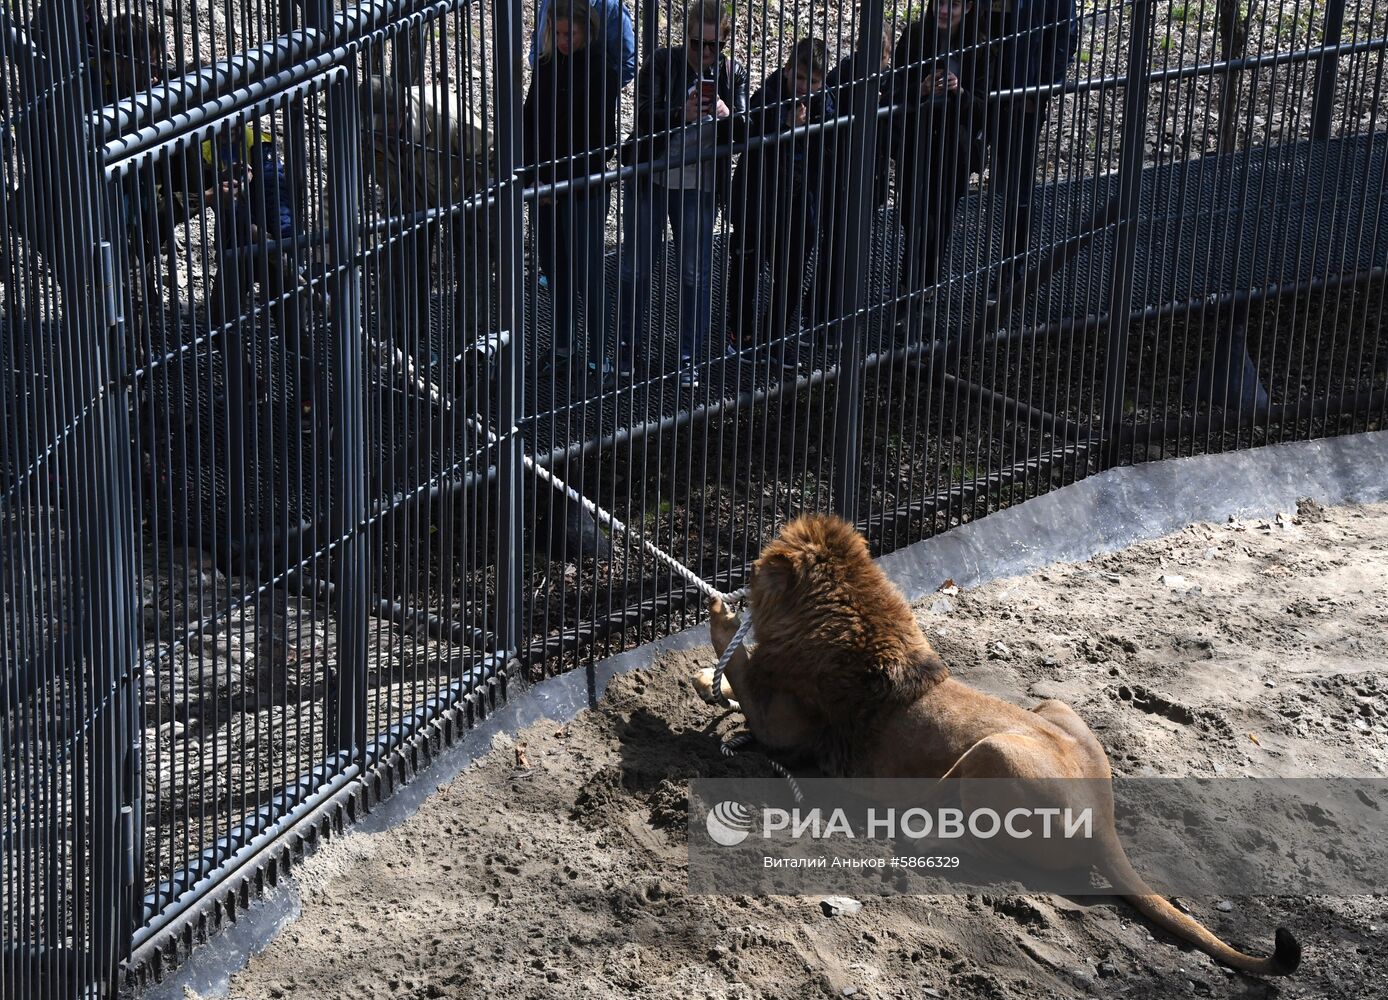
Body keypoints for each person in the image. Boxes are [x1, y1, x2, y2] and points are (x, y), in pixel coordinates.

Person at [616, 0, 748, 389]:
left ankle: (689, 359)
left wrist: (726, 114)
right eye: (696, 43)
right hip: (652, 177)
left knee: (695, 273)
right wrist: (681, 114)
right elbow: (642, 115)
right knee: (635, 268)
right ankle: (628, 353)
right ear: (684, 37)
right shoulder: (662, 62)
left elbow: (745, 131)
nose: (705, 53)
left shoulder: (731, 74)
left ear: (724, 43)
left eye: (713, 46)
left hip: (699, 184)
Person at [522, 0, 621, 393]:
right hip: (546, 187)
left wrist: (555, 183)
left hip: (581, 186)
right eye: (558, 33)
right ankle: (564, 345)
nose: (564, 41)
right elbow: (529, 122)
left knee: (587, 271)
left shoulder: (601, 69)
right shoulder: (546, 66)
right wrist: (536, 178)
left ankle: (600, 354)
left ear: (587, 31)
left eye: (571, 34)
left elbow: (601, 140)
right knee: (554, 267)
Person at [359, 74, 493, 360]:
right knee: (397, 266)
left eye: (389, 124)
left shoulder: (448, 113)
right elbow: (340, 187)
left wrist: (486, 204)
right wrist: (324, 254)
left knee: (473, 269)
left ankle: (469, 354)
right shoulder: (361, 129)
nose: (384, 133)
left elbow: (491, 155)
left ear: (405, 110)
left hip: (468, 192)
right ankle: (399, 349)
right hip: (410, 192)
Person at [725, 37, 832, 373]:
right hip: (759, 197)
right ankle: (738, 335)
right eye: (799, 78)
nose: (804, 87)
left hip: (800, 199)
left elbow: (832, 124)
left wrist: (813, 118)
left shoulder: (820, 102)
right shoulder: (769, 93)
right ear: (786, 71)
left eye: (813, 82)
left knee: (792, 272)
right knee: (747, 267)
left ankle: (775, 338)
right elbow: (752, 125)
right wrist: (784, 124)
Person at [892, 0, 989, 299]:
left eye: (955, 4)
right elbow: (892, 89)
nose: (945, 10)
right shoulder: (914, 36)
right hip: (915, 141)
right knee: (912, 214)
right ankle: (910, 284)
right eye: (941, 3)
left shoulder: (981, 47)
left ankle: (926, 287)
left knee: (940, 218)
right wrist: (920, 90)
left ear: (969, 8)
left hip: (952, 147)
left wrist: (958, 91)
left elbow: (985, 108)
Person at [804, 22, 895, 336]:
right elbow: (827, 112)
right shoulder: (843, 74)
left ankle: (838, 311)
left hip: (871, 172)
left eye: (880, 59)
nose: (876, 65)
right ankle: (818, 311)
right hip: (840, 170)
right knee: (836, 244)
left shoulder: (891, 81)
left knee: (852, 244)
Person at [983, 0, 1078, 301]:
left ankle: (1012, 271)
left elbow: (1066, 33)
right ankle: (923, 285)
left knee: (1018, 187)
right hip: (971, 88)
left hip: (1020, 97)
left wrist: (1042, 89)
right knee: (945, 178)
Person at [529, 0, 637, 89]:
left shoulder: (611, 8)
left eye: (569, 34)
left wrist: (598, 89)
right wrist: (538, 68)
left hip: (591, 105)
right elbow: (538, 36)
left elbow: (627, 63)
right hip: (546, 95)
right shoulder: (549, 2)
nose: (561, 41)